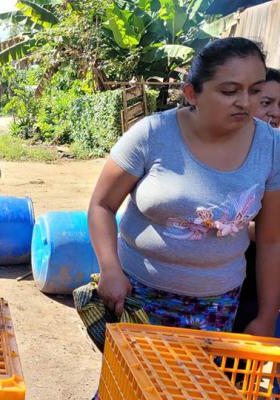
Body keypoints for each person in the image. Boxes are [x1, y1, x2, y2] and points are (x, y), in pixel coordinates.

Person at [88, 38, 280, 344]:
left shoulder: (271, 147)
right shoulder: (152, 135)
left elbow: (271, 239)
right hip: (137, 295)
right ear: (192, 93)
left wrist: (267, 316)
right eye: (230, 91)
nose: (245, 102)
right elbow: (102, 205)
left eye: (255, 90)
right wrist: (110, 269)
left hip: (219, 305)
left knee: (198, 388)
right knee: (130, 387)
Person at [233, 67, 280, 334]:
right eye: (266, 103)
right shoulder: (221, 151)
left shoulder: (275, 151)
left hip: (262, 279)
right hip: (229, 277)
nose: (275, 111)